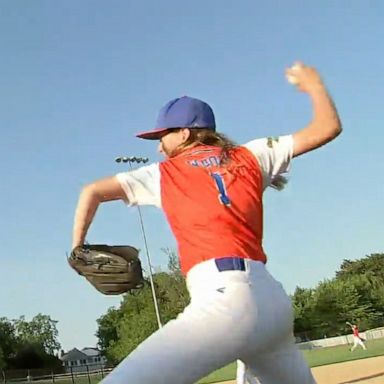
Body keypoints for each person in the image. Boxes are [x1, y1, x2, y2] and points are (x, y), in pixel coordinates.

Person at [72, 62, 342, 384]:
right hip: (272, 303)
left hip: (223, 300)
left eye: (163, 136)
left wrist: (77, 248)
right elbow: (328, 127)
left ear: (185, 133)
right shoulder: (251, 154)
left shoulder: (163, 174)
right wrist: (314, 84)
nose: (159, 145)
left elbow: (92, 191)